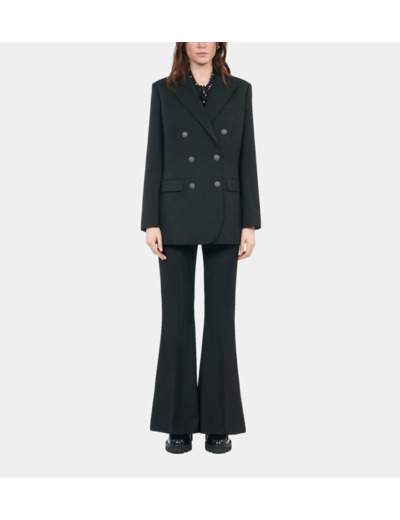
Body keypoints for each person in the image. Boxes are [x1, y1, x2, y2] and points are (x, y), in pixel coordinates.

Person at [140, 42, 261, 454]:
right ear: (182, 42)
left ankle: (217, 422)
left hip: (227, 211)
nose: (203, 42)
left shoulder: (240, 90)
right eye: (194, 34)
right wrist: (150, 220)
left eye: (210, 33)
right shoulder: (163, 90)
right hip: (173, 212)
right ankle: (178, 423)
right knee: (176, 319)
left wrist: (250, 221)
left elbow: (247, 157)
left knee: (221, 320)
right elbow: (154, 155)